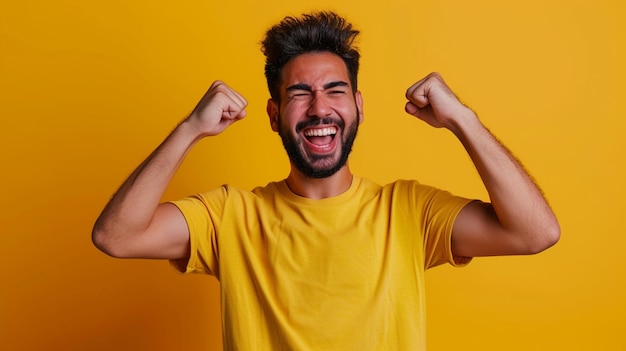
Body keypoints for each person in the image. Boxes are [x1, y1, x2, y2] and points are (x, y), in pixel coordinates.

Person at [92, 11, 560, 351]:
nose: (319, 108)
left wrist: (464, 119)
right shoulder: (230, 216)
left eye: (335, 90)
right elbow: (116, 236)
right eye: (300, 93)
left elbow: (535, 233)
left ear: (358, 106)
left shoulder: (409, 211)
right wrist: (190, 129)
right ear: (274, 115)